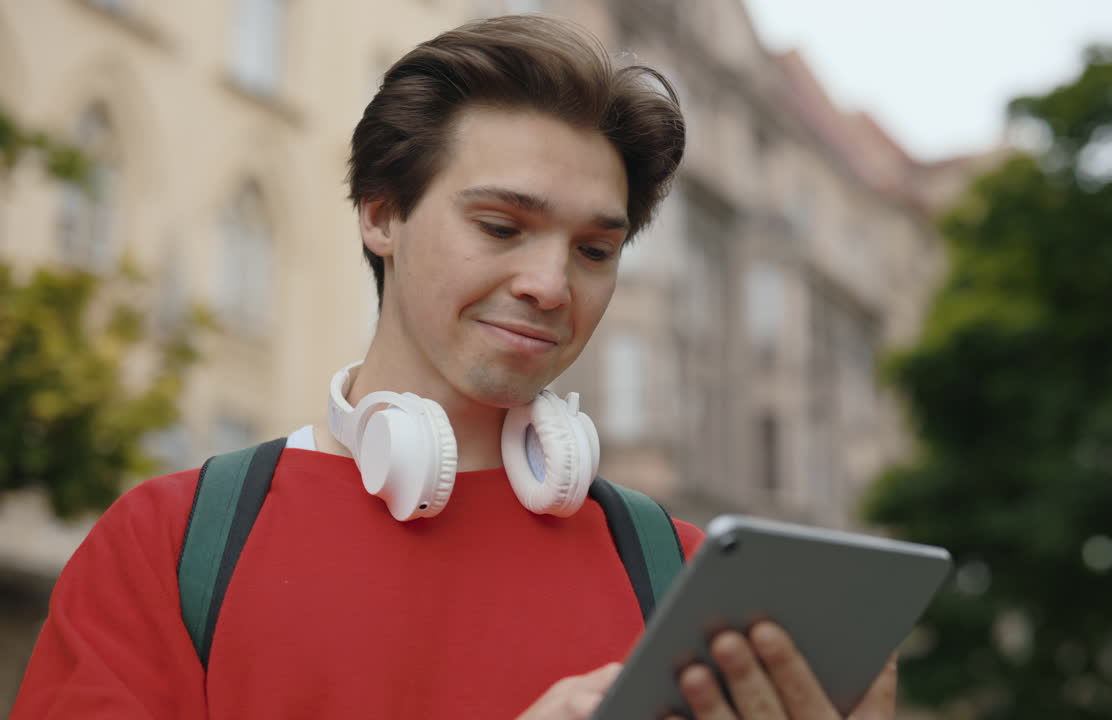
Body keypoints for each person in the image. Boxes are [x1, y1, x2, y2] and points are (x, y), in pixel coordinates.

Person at [12, 15, 896, 720]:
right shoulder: (166, 547)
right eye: (502, 228)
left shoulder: (692, 585)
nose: (551, 285)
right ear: (381, 214)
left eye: (594, 248)